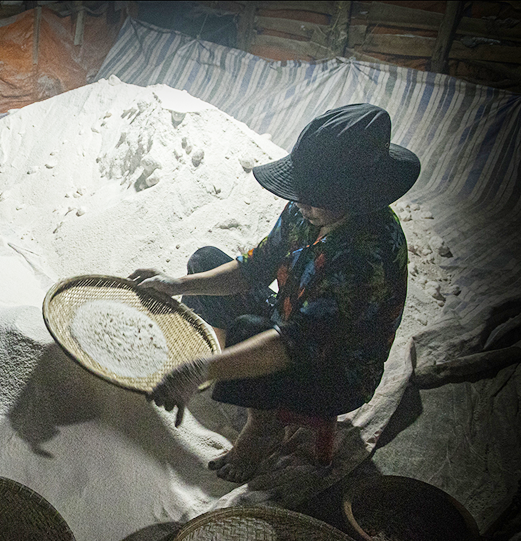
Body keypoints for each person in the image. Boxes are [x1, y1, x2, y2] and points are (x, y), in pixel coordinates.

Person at [129, 104, 420, 483]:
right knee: (204, 262)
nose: (302, 203)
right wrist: (177, 284)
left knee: (250, 330)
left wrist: (204, 368)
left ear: (355, 196)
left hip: (336, 369)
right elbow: (257, 265)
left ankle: (261, 425)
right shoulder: (308, 210)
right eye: (302, 192)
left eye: (315, 197)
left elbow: (296, 342)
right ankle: (243, 378)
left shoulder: (367, 254)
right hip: (291, 318)